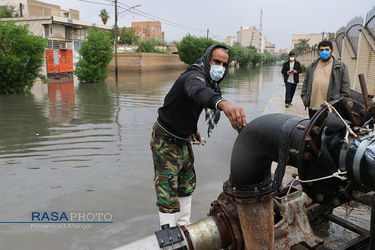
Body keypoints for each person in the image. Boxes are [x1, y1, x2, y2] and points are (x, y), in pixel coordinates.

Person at [150, 44, 246, 228]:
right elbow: (197, 92)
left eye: (225, 64)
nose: (221, 68)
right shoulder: (194, 77)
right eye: (217, 62)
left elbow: (189, 105)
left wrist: (191, 128)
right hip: (165, 139)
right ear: (207, 60)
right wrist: (224, 105)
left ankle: (184, 226)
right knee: (167, 188)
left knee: (186, 183)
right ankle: (169, 234)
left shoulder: (209, 83)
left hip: (183, 137)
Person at [301, 40, 350, 118]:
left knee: (328, 129)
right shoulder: (312, 66)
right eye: (321, 50)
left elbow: (345, 88)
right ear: (318, 51)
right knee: (314, 129)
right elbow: (305, 85)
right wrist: (305, 99)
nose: (324, 52)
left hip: (331, 108)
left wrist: (337, 103)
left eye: (327, 50)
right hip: (313, 107)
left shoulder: (340, 67)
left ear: (332, 51)